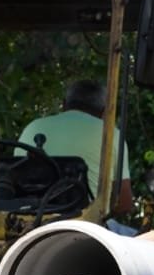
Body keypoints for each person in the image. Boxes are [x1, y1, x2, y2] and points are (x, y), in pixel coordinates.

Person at [17, 79, 132, 214]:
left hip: (29, 217)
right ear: (104, 111)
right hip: (86, 223)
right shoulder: (111, 134)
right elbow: (124, 203)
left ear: (64, 105)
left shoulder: (33, 127)